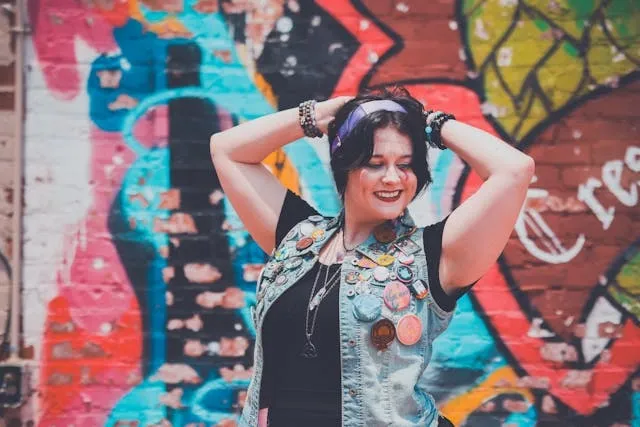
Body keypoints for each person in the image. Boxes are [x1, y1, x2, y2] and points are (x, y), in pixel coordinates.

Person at [209, 87, 534, 427]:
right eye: (375, 164)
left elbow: (515, 169)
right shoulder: (297, 236)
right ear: (345, 166)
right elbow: (226, 149)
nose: (392, 178)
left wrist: (429, 123)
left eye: (406, 165)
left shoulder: (431, 257)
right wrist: (318, 116)